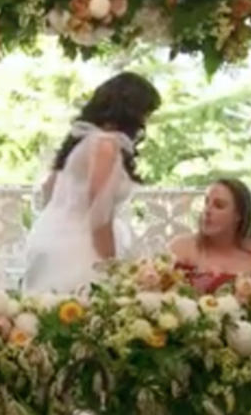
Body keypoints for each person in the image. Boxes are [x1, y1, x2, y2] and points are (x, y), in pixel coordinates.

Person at [23, 72, 161, 293]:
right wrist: (111, 264)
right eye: (146, 113)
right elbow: (99, 212)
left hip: (51, 236)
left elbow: (48, 189)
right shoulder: (106, 145)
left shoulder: (81, 140)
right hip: (80, 247)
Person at [168, 178, 251, 293]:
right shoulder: (180, 248)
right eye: (206, 202)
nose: (207, 210)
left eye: (219, 206)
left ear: (238, 215)